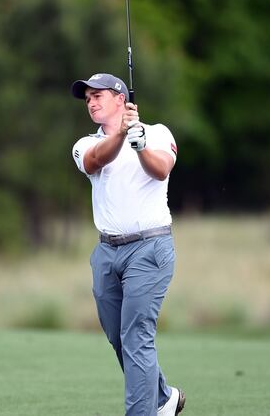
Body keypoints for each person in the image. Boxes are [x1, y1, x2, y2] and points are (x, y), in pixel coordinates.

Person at [70, 73, 185, 416]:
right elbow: (95, 162)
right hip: (106, 252)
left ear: (121, 98)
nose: (91, 102)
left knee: (136, 337)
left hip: (150, 249)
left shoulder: (158, 133)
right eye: (87, 97)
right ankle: (164, 397)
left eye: (98, 95)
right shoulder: (84, 144)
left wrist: (140, 145)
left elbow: (161, 169)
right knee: (119, 337)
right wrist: (121, 135)